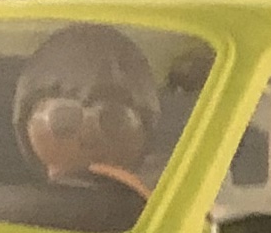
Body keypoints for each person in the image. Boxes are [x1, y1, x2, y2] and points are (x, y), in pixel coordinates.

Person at [8, 25, 163, 217]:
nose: (88, 138)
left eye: (114, 121)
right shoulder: (0, 215)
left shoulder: (174, 200)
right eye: (63, 120)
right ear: (27, 129)